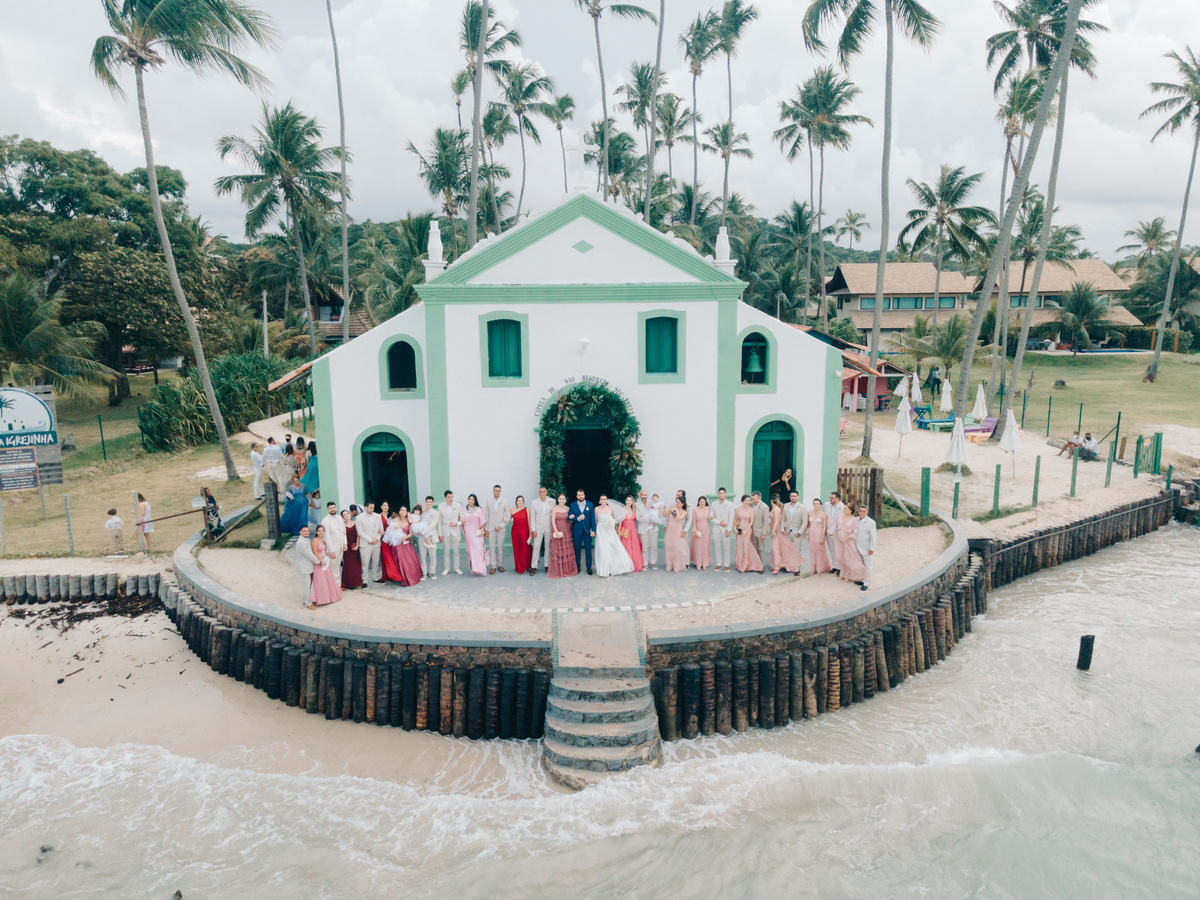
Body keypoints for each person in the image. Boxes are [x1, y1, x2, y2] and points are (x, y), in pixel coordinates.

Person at [593, 495, 635, 577]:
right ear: (599, 500)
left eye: (605, 499)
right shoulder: (596, 509)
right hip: (601, 531)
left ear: (607, 500)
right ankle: (604, 569)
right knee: (602, 548)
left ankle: (612, 567)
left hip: (609, 531)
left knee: (611, 548)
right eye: (601, 499)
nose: (603, 500)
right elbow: (595, 521)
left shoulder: (610, 508)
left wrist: (611, 524)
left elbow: (613, 519)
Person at [382, 510, 422, 585]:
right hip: (398, 544)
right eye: (401, 510)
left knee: (410, 560)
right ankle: (403, 578)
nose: (403, 511)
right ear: (399, 511)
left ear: (407, 512)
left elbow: (411, 533)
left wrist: (405, 538)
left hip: (406, 542)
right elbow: (391, 530)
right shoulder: (395, 520)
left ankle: (412, 575)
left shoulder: (408, 521)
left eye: (405, 510)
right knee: (401, 560)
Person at [308, 524, 343, 607]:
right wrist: (320, 561)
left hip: (325, 561)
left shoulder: (323, 540)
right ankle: (321, 598)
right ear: (316, 532)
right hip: (320, 561)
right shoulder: (315, 540)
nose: (321, 532)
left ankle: (329, 596)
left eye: (322, 531)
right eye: (319, 531)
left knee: (328, 578)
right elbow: (315, 552)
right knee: (321, 580)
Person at [769, 496, 804, 575]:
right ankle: (776, 564)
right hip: (775, 530)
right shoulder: (775, 508)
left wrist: (773, 530)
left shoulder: (776, 509)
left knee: (776, 548)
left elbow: (776, 521)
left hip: (776, 531)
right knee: (776, 548)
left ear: (771, 501)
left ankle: (778, 566)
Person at [835, 507, 869, 585]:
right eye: (844, 508)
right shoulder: (840, 516)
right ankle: (842, 573)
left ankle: (848, 575)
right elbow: (836, 525)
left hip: (848, 541)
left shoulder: (854, 520)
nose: (844, 510)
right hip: (838, 541)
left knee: (848, 558)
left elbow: (855, 532)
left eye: (846, 509)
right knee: (839, 557)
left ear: (850, 510)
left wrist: (846, 538)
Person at [547, 493, 578, 579]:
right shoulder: (554, 509)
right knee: (558, 551)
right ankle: (558, 570)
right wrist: (556, 531)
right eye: (560, 499)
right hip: (557, 531)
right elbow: (553, 521)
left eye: (563, 499)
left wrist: (572, 519)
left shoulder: (568, 508)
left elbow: (571, 519)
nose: (561, 500)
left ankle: (566, 570)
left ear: (565, 500)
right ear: (558, 500)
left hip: (566, 531)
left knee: (566, 551)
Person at [290, 524, 320, 607]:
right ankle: (308, 603)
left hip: (308, 566)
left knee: (308, 584)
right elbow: (309, 554)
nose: (307, 532)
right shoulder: (301, 543)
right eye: (305, 531)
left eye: (308, 531)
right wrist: (319, 562)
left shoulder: (307, 540)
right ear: (300, 532)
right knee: (306, 585)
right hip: (304, 567)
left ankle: (305, 600)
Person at [528, 487, 554, 576]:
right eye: (540, 492)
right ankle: (534, 567)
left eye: (544, 491)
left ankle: (546, 565)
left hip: (548, 528)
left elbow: (554, 515)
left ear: (546, 492)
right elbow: (533, 517)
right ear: (539, 493)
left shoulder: (552, 501)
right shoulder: (534, 503)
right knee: (536, 547)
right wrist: (533, 530)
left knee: (547, 547)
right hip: (538, 529)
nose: (542, 493)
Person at [484, 485, 510, 575]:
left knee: (500, 547)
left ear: (500, 492)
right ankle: (493, 566)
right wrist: (486, 529)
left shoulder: (504, 502)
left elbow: (508, 515)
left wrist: (501, 525)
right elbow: (486, 515)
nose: (497, 492)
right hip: (491, 528)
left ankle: (500, 565)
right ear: (493, 491)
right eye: (495, 490)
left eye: (498, 491)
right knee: (491, 547)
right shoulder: (488, 501)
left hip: (500, 529)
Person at [569, 489, 595, 575]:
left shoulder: (590, 504)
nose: (581, 496)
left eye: (582, 495)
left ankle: (589, 567)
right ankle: (578, 567)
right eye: (579, 495)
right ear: (577, 496)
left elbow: (592, 519)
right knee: (577, 550)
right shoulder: (572, 505)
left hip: (587, 531)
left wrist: (593, 530)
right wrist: (577, 518)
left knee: (588, 550)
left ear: (584, 495)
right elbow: (569, 517)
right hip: (577, 531)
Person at [462, 494, 489, 577]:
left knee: (479, 550)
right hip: (468, 534)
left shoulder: (478, 509)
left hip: (477, 534)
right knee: (471, 552)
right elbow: (461, 519)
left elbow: (482, 521)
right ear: (468, 500)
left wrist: (482, 531)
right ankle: (474, 569)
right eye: (470, 499)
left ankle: (481, 569)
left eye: (473, 499)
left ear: (475, 501)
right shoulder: (463, 509)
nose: (471, 501)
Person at [356, 501, 384, 583]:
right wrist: (370, 540)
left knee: (376, 562)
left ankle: (376, 577)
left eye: (373, 507)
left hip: (376, 543)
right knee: (365, 563)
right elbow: (360, 532)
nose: (372, 509)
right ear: (365, 507)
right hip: (366, 543)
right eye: (370, 508)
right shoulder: (359, 517)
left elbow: (381, 530)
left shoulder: (377, 516)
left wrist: (377, 539)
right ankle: (365, 581)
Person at [734, 495, 763, 573]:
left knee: (746, 546)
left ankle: (745, 565)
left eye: (749, 500)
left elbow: (751, 522)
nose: (748, 502)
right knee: (739, 547)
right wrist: (734, 528)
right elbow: (735, 519)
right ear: (743, 501)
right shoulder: (738, 508)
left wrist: (746, 531)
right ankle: (739, 565)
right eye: (746, 500)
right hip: (739, 529)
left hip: (747, 529)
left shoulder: (751, 509)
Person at [439, 490, 464, 575]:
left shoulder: (458, 505)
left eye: (452, 496)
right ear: (445, 497)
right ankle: (447, 568)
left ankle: (457, 568)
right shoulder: (440, 506)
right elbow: (439, 522)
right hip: (445, 532)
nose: (451, 498)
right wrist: (440, 534)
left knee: (456, 551)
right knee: (446, 551)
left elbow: (462, 519)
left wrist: (456, 523)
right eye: (449, 497)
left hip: (456, 531)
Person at [664, 492, 691, 573]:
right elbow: (665, 514)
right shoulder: (672, 507)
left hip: (677, 530)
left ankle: (677, 566)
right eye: (676, 502)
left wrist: (677, 510)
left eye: (678, 502)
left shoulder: (684, 511)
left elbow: (679, 518)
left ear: (682, 504)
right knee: (670, 547)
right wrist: (663, 509)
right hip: (670, 529)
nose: (676, 503)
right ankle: (669, 565)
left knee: (677, 548)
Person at [319, 501, 346, 580]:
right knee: (332, 568)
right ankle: (333, 588)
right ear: (327, 510)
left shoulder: (339, 517)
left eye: (334, 507)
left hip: (340, 547)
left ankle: (337, 586)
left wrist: (345, 543)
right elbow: (326, 537)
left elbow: (343, 531)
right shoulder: (325, 521)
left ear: (336, 508)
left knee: (337, 568)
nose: (332, 509)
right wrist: (332, 551)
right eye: (330, 508)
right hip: (333, 549)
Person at [710, 488, 735, 573]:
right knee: (717, 548)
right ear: (718, 494)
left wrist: (728, 530)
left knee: (727, 548)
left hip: (726, 530)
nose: (721, 495)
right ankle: (718, 564)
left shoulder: (730, 504)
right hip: (716, 529)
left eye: (723, 493)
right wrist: (719, 522)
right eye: (720, 493)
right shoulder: (713, 504)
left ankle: (727, 565)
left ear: (725, 494)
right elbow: (711, 517)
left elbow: (731, 519)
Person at [804, 499, 832, 574]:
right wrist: (805, 532)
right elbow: (807, 524)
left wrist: (822, 536)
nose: (816, 505)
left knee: (819, 550)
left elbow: (824, 526)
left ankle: (820, 568)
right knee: (812, 551)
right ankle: (813, 569)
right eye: (814, 503)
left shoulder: (823, 514)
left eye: (817, 503)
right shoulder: (810, 512)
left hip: (819, 532)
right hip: (811, 532)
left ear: (820, 504)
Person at [417, 495, 440, 580]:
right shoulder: (421, 512)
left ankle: (432, 572)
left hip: (431, 537)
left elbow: (433, 525)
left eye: (431, 502)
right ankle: (424, 573)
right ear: (425, 502)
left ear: (433, 503)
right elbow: (414, 517)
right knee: (422, 556)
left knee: (432, 556)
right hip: (422, 538)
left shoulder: (436, 513)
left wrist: (423, 532)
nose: (429, 503)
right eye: (428, 502)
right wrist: (416, 506)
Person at [618, 496, 644, 572]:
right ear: (625, 501)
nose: (629, 502)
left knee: (634, 546)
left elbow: (637, 519)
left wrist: (641, 516)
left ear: (632, 502)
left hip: (633, 530)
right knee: (626, 546)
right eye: (628, 500)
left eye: (630, 500)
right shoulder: (622, 510)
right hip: (625, 529)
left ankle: (635, 564)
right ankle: (627, 565)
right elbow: (620, 521)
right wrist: (619, 531)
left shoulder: (634, 510)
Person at [636, 490, 659, 570]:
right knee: (644, 547)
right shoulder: (637, 504)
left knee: (654, 546)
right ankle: (645, 563)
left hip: (653, 528)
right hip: (643, 528)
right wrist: (649, 517)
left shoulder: (652, 502)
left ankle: (653, 562)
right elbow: (638, 517)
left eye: (645, 494)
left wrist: (644, 516)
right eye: (642, 494)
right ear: (640, 495)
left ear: (647, 495)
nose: (644, 496)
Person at [855, 505, 876, 591]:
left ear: (867, 512)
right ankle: (862, 579)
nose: (862, 513)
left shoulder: (871, 522)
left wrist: (872, 548)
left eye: (864, 511)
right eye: (860, 511)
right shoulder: (856, 520)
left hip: (866, 548)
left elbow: (873, 537)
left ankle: (867, 583)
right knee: (861, 565)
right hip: (857, 547)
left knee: (868, 566)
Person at [782, 491, 807, 565]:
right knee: (787, 550)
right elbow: (783, 519)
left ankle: (797, 567)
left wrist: (800, 532)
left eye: (794, 496)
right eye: (791, 496)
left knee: (797, 550)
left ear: (798, 497)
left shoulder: (802, 507)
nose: (793, 498)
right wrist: (782, 530)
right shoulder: (786, 506)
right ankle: (789, 566)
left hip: (797, 532)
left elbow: (805, 522)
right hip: (787, 532)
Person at [341, 509, 363, 590]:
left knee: (356, 565)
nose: (347, 515)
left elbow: (358, 535)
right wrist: (344, 545)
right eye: (344, 515)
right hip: (346, 547)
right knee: (347, 565)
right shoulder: (342, 525)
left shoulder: (355, 523)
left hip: (354, 546)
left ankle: (355, 583)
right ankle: (346, 583)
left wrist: (357, 545)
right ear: (343, 517)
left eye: (347, 514)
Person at [824, 492, 846, 574]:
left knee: (839, 550)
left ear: (837, 499)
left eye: (832, 498)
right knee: (832, 549)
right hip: (828, 532)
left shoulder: (843, 507)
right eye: (830, 497)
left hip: (838, 532)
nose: (830, 499)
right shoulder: (826, 505)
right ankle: (835, 566)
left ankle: (841, 568)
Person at [509, 495, 532, 574]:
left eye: (521, 501)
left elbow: (529, 523)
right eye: (518, 501)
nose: (520, 502)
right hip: (515, 530)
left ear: (523, 502)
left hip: (524, 530)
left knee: (524, 547)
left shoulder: (527, 510)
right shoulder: (512, 510)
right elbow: (507, 519)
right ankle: (518, 566)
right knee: (517, 549)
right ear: (516, 502)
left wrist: (530, 534)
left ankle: (525, 566)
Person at [690, 495, 712, 570]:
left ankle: (705, 563)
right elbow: (693, 521)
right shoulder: (695, 510)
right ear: (698, 502)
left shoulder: (708, 509)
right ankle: (698, 563)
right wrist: (694, 530)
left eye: (703, 502)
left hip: (706, 529)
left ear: (705, 502)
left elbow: (713, 516)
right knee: (698, 546)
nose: (702, 503)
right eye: (701, 501)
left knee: (705, 546)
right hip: (698, 529)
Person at [750, 491, 770, 568]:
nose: (753, 501)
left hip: (760, 531)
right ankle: (754, 564)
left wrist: (764, 533)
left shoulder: (765, 507)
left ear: (759, 498)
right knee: (754, 548)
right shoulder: (751, 505)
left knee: (761, 549)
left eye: (755, 499)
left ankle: (761, 565)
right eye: (752, 499)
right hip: (752, 531)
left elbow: (766, 521)